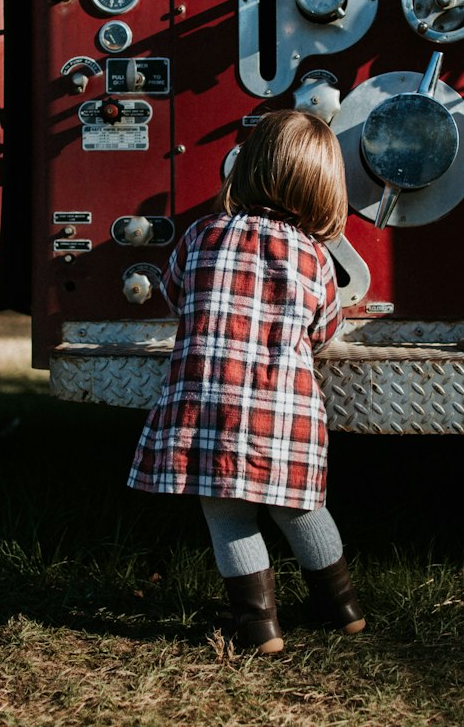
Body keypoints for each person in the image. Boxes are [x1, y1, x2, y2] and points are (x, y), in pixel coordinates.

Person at [127, 109, 365, 654]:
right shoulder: (314, 256)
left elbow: (174, 295)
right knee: (302, 508)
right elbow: (325, 330)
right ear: (324, 188)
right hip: (284, 414)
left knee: (226, 511)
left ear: (249, 168)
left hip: (207, 407)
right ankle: (342, 606)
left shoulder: (201, 234)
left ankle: (257, 625)